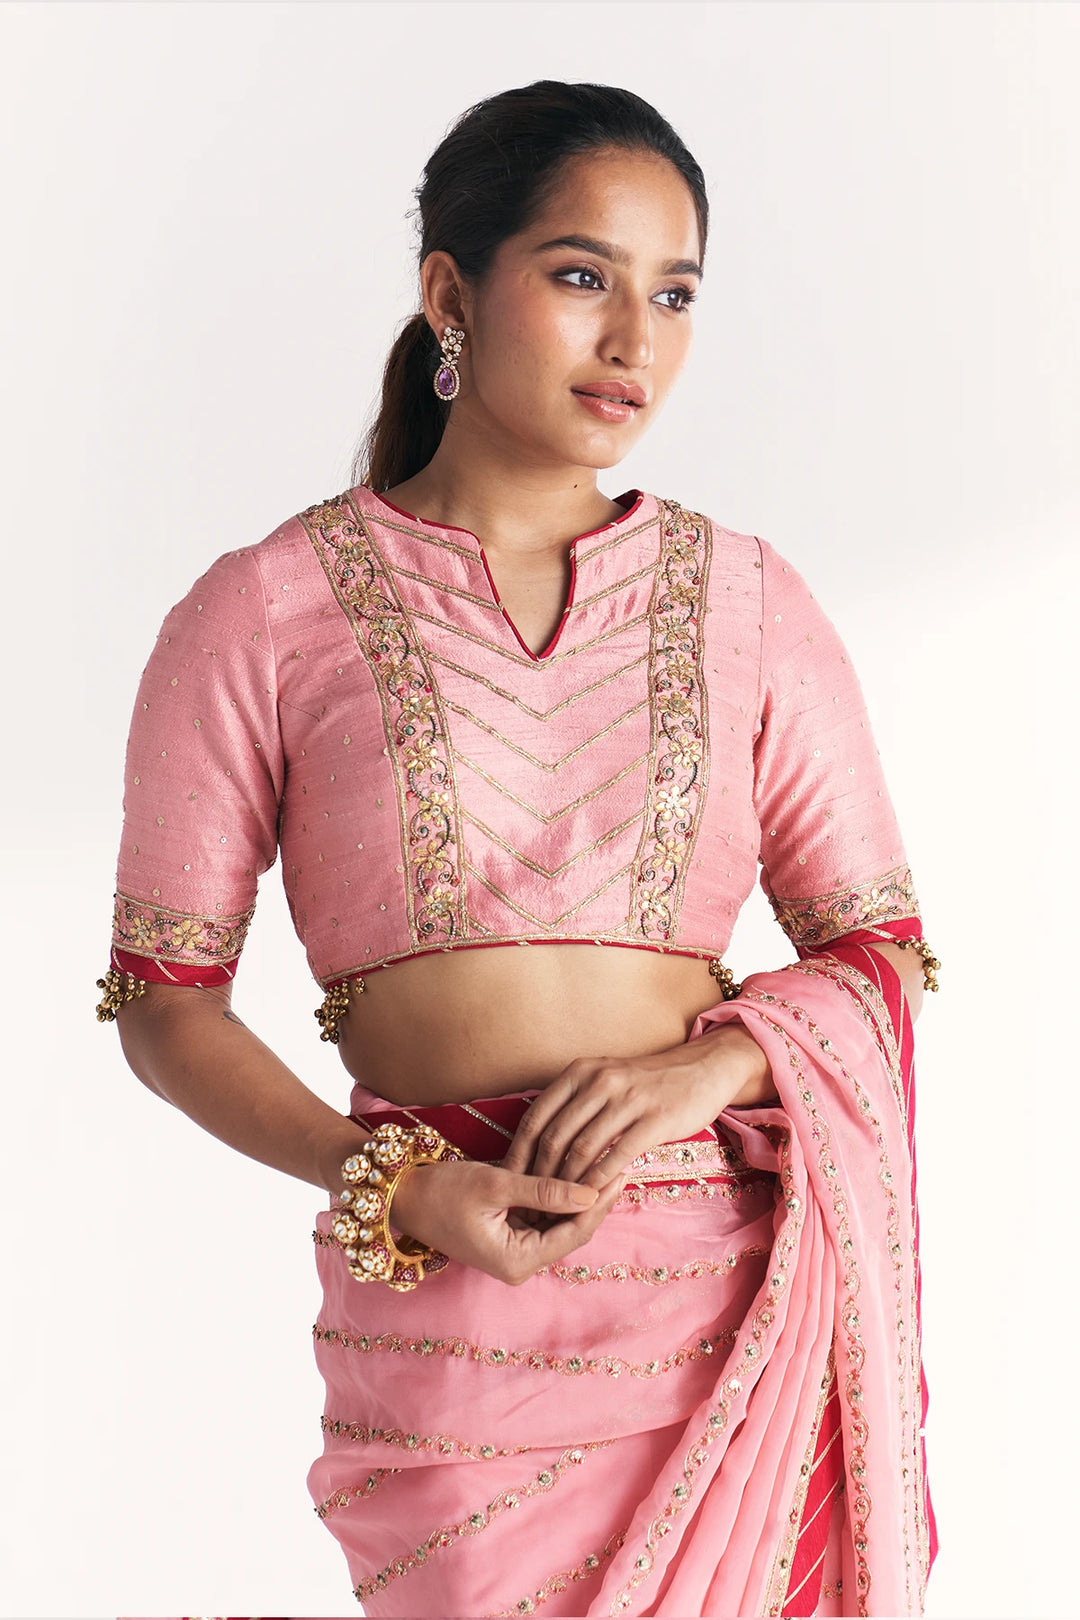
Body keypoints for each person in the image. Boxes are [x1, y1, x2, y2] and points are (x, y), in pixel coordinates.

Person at [96, 79, 941, 1619]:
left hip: (721, 1312)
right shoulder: (263, 612)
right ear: (450, 292)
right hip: (449, 1317)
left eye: (674, 294)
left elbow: (878, 953)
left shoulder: (753, 604)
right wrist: (392, 1183)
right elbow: (164, 1001)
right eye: (580, 276)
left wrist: (707, 1068)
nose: (634, 341)